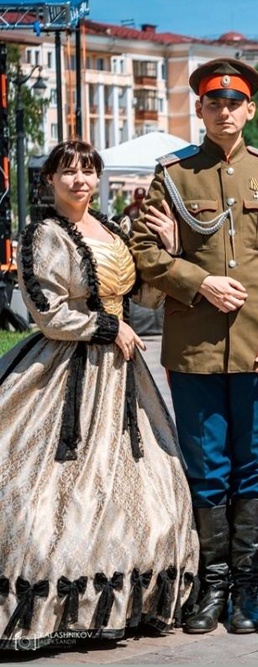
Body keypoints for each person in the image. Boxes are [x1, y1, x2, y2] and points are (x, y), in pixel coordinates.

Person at [129, 57, 258, 635]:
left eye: (234, 103)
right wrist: (197, 279)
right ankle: (210, 589)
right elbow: (144, 253)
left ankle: (247, 592)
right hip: (195, 347)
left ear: (250, 109)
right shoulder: (174, 174)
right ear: (201, 110)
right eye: (213, 102)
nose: (224, 110)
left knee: (253, 466)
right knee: (208, 467)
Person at [0, 141, 197, 651]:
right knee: (48, 484)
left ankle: (129, 600)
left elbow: (144, 299)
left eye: (88, 172)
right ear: (49, 182)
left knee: (147, 479)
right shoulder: (43, 234)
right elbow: (47, 312)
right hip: (67, 371)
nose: (80, 181)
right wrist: (105, 327)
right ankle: (52, 601)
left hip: (121, 374)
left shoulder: (110, 230)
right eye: (68, 172)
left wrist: (169, 251)